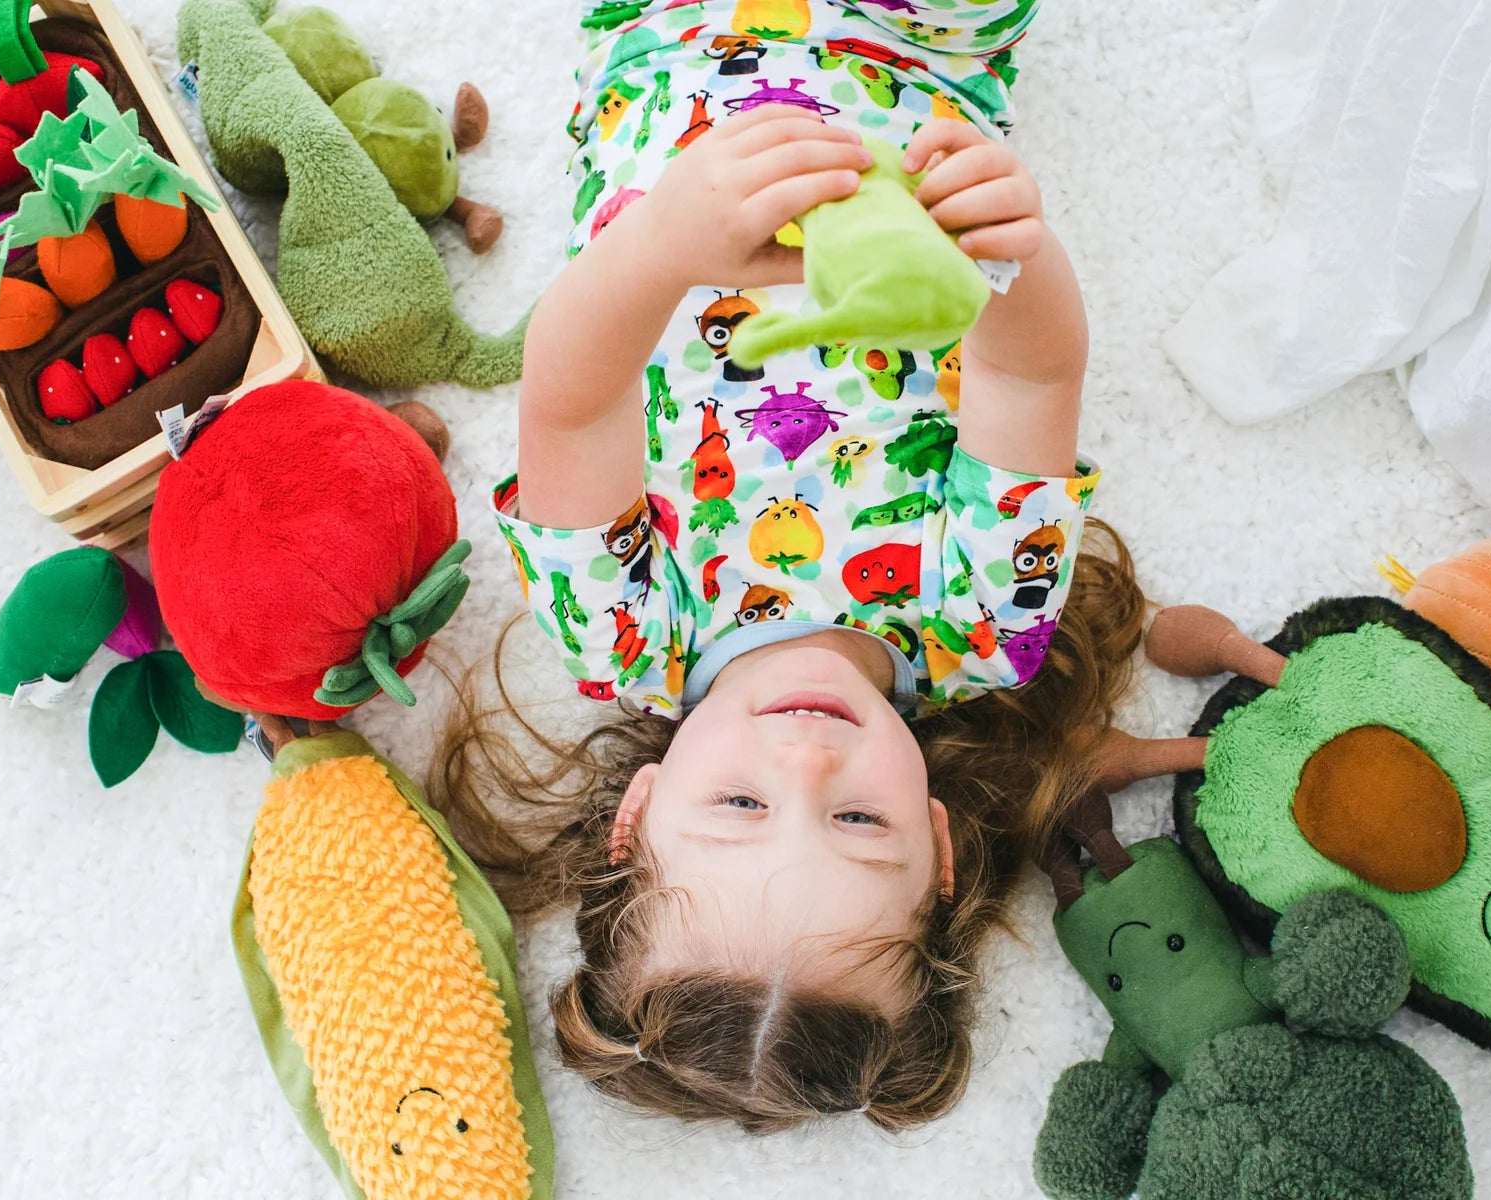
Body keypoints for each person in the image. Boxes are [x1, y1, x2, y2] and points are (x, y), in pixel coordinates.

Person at [433, 0, 1152, 1133]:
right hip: (921, 54)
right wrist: (1013, 254)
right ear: (946, 852)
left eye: (740, 802)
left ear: (638, 816)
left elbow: (570, 403)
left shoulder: (622, 631)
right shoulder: (981, 616)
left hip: (669, 41)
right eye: (861, 828)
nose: (808, 762)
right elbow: (1031, 382)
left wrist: (668, 244)